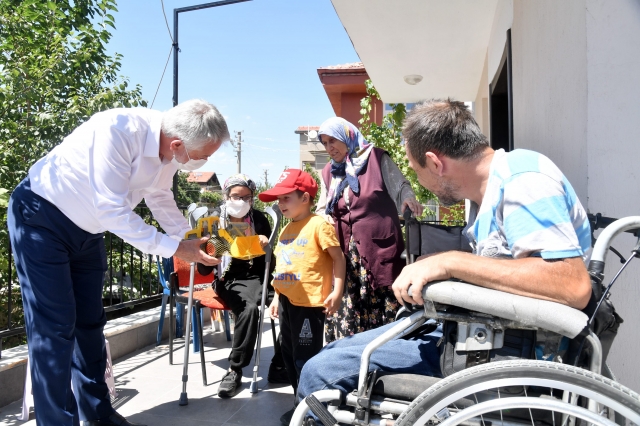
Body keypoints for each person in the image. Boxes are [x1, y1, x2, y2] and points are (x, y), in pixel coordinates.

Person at [296, 99, 593, 424]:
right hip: (480, 332)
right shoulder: (486, 194)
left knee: (321, 374)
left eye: (417, 171)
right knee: (334, 353)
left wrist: (451, 263)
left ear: (435, 163)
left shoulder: (523, 180)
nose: (418, 182)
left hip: (504, 350)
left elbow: (570, 283)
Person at [7, 99, 228, 426]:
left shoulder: (169, 147)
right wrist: (176, 248)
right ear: (178, 144)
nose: (204, 161)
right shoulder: (119, 130)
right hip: (41, 217)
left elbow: (159, 197)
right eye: (202, 156)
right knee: (54, 328)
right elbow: (111, 210)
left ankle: (98, 414)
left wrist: (192, 239)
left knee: (90, 324)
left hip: (88, 230)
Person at [316, 117, 423, 343]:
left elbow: (400, 185)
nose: (329, 147)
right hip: (345, 255)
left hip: (378, 250)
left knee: (384, 313)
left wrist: (409, 200)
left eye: (333, 140)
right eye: (325, 143)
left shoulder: (376, 158)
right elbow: (323, 207)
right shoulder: (329, 172)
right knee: (350, 312)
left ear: (348, 136)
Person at [258, 169, 346, 426]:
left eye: (286, 198)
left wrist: (337, 290)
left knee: (305, 359)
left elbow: (337, 258)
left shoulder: (318, 225)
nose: (280, 204)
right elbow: (283, 268)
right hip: (287, 302)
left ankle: (312, 411)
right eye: (278, 199)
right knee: (288, 356)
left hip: (309, 304)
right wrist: (276, 297)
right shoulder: (286, 230)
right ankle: (301, 405)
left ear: (305, 198)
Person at [197, 173, 287, 397]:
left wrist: (265, 247)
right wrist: (215, 247)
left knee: (291, 303)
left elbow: (271, 263)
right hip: (229, 279)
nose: (241, 201)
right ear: (226, 196)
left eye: (246, 197)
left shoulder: (259, 220)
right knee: (248, 310)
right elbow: (203, 270)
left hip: (259, 278)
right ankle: (234, 369)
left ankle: (280, 363)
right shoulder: (215, 221)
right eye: (236, 196)